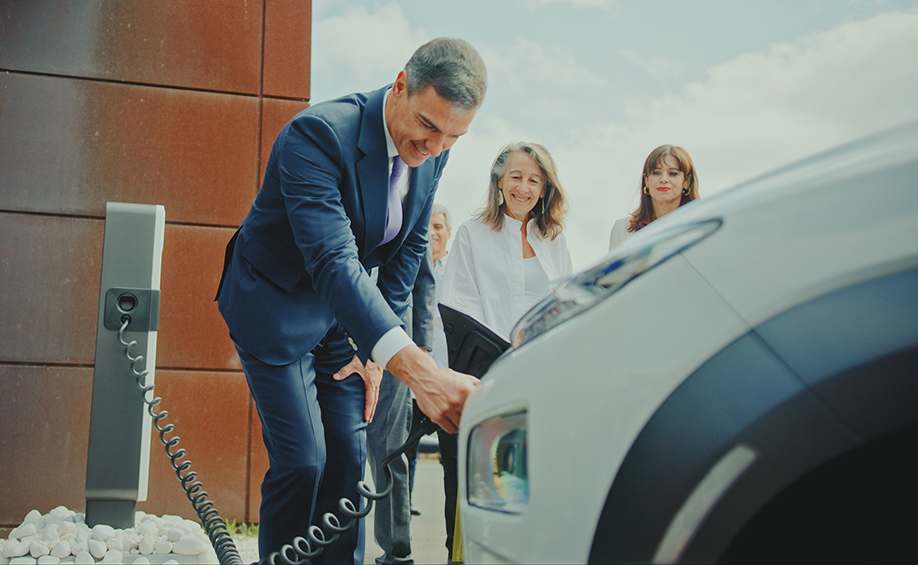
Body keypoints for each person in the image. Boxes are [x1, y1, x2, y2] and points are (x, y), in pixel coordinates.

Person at [214, 38, 487, 564]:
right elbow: (334, 261)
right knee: (304, 461)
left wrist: (376, 347)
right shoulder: (316, 135)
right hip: (275, 305)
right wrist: (424, 375)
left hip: (341, 316)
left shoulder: (432, 155)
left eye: (455, 135)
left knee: (346, 454)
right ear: (401, 84)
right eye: (429, 126)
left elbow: (407, 249)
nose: (435, 146)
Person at [438, 143, 572, 561]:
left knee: (525, 487)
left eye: (534, 179)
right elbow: (456, 306)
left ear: (545, 188)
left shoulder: (553, 239)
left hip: (539, 382)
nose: (524, 187)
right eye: (515, 176)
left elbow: (564, 305)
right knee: (468, 486)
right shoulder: (472, 234)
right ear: (499, 181)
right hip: (484, 379)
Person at [365, 246, 435, 565]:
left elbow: (423, 278)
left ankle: (397, 550)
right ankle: (335, 550)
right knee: (338, 444)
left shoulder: (415, 199)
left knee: (389, 446)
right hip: (337, 331)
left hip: (397, 343)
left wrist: (421, 346)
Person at [404, 204, 452, 519]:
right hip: (411, 378)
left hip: (448, 374)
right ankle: (401, 506)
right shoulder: (409, 269)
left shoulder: (457, 270)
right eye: (429, 226)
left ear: (448, 233)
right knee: (405, 450)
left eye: (439, 227)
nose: (433, 233)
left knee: (451, 456)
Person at [608, 144, 700, 251]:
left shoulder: (700, 227)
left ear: (686, 182)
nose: (664, 179)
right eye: (656, 173)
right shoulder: (622, 230)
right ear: (646, 180)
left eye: (673, 173)